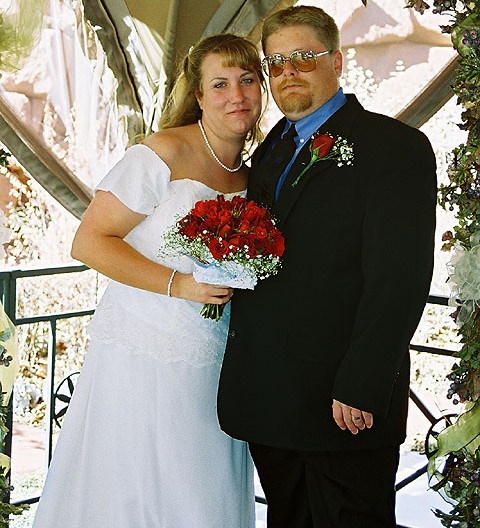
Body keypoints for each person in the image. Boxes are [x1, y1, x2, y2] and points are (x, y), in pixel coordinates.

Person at [217, 6, 437, 528]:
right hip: (272, 398)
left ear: (336, 61)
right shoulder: (270, 148)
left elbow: (399, 278)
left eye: (303, 58)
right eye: (276, 63)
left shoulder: (395, 147)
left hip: (343, 403)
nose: (288, 72)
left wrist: (364, 380)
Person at [33, 33, 263, 528]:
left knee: (204, 486)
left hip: (219, 357)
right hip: (145, 352)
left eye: (247, 80)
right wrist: (176, 284)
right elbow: (90, 241)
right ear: (198, 96)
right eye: (220, 84)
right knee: (141, 484)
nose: (236, 95)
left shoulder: (253, 173)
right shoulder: (160, 154)